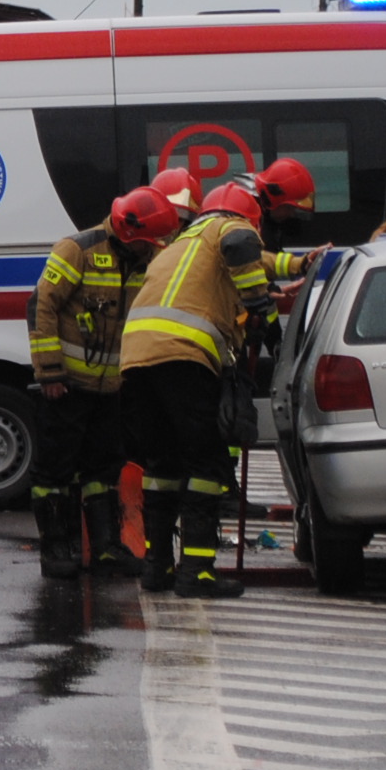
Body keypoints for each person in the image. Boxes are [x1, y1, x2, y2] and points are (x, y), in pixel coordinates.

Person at [121, 181, 279, 598]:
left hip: (137, 359)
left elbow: (257, 259)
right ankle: (197, 572)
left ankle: (157, 568)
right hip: (184, 359)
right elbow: (245, 246)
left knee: (161, 468)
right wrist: (259, 302)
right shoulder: (229, 226)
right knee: (205, 467)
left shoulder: (179, 245)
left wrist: (296, 267)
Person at [27, 186, 181, 580]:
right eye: (149, 243)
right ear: (131, 235)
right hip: (67, 386)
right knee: (55, 473)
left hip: (111, 388)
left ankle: (105, 547)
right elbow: (41, 305)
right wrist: (50, 373)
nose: (154, 251)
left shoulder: (144, 258)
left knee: (103, 470)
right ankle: (56, 547)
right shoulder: (77, 250)